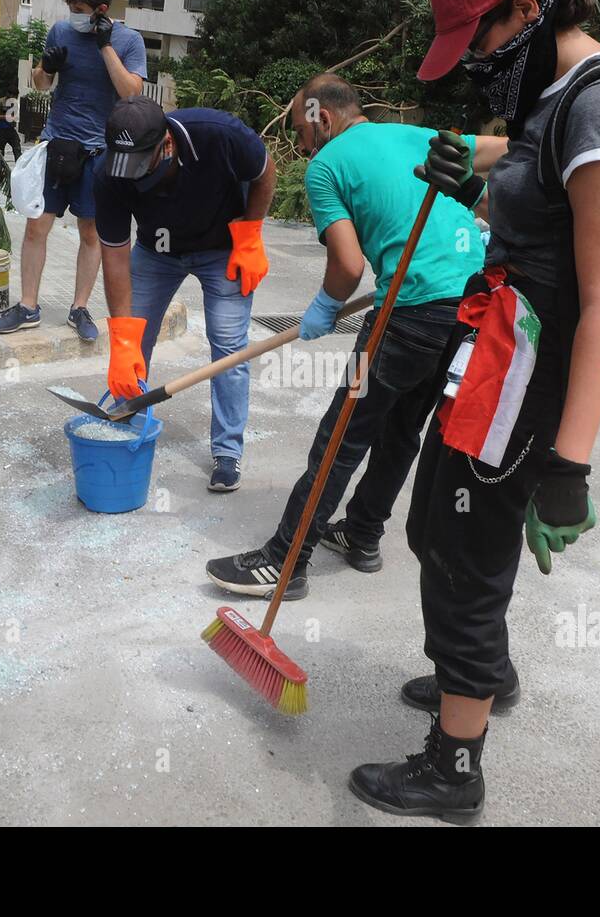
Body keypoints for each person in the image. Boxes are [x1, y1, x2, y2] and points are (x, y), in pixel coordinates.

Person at [349, 0, 600, 824]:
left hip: (535, 371)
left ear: (528, 9)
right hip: (496, 345)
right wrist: (472, 168)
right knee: (435, 528)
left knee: (462, 549)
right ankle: (483, 671)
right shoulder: (548, 90)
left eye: (477, 38)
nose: (474, 63)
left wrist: (570, 464)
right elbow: (533, 181)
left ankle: (454, 767)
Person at [204, 75, 485, 602]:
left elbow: (349, 265)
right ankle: (362, 533)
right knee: (403, 430)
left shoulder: (326, 166)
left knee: (341, 436)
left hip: (410, 312)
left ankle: (286, 560)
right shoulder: (414, 136)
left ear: (322, 118)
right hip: (469, 312)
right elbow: (499, 163)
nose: (299, 145)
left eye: (300, 133)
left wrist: (326, 306)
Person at [94, 96, 276, 492]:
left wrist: (250, 235)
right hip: (155, 254)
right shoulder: (108, 173)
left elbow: (264, 173)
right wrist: (123, 339)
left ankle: (227, 452)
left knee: (229, 346)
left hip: (222, 247)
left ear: (167, 145)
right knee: (133, 342)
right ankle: (124, 416)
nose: (133, 178)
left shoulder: (219, 135)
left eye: (142, 165)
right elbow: (114, 257)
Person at [0, 0, 146, 343]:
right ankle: (28, 306)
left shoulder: (128, 40)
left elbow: (131, 92)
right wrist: (48, 68)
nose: (73, 14)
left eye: (79, 8)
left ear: (101, 9)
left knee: (90, 232)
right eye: (70, 6)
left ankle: (79, 308)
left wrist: (105, 46)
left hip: (99, 152)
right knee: (35, 226)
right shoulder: (61, 32)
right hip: (57, 145)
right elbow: (40, 84)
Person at [0, 90, 22, 163]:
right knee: (0, 150)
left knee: (17, 148)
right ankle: (0, 168)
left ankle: (19, 166)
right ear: (8, 94)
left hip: (11, 129)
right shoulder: (0, 102)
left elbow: (14, 117)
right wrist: (5, 117)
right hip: (1, 130)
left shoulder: (14, 103)